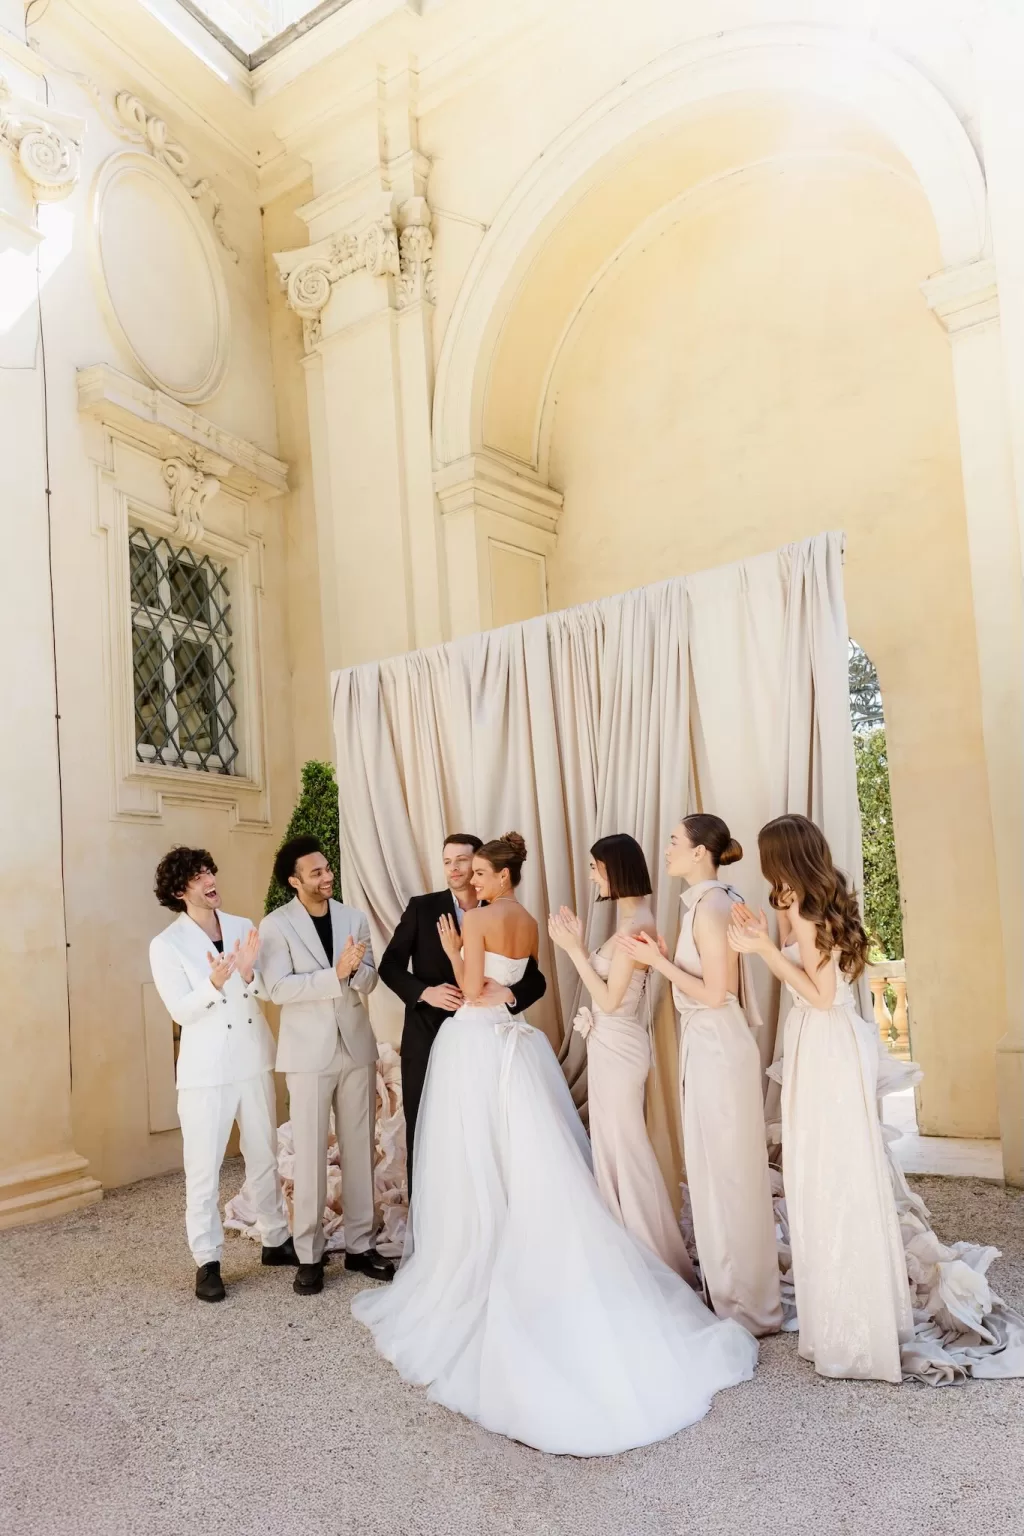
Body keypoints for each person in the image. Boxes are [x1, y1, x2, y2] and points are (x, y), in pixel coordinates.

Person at [352, 833, 757, 1456]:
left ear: (499, 874)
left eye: (479, 870)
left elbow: (481, 982)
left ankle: (481, 1248)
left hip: (475, 1042)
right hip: (513, 1040)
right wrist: (489, 982)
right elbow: (506, 975)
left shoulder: (484, 917)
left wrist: (460, 951)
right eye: (466, 870)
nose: (470, 878)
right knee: (527, 1152)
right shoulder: (522, 919)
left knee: (470, 1153)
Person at [727, 814, 912, 1380]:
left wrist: (763, 949)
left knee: (829, 1174)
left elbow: (822, 994)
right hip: (829, 1040)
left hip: (825, 1040)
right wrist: (769, 930)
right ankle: (844, 1315)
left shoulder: (809, 911)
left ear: (782, 858)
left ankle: (851, 1329)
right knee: (830, 1171)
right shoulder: (810, 901)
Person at [619, 815, 782, 1337]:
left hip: (718, 1046)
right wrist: (667, 960)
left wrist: (656, 963)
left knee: (727, 1169)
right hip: (709, 1045)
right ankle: (732, 1293)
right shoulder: (711, 900)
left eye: (673, 842)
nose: (666, 850)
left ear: (698, 853)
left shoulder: (711, 906)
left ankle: (745, 1305)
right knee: (717, 1167)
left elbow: (717, 993)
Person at [547, 833, 696, 1284]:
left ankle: (654, 1258)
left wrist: (574, 950)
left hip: (619, 1043)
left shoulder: (638, 927)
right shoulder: (632, 919)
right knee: (612, 1148)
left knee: (625, 1149)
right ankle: (625, 1246)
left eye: (596, 866)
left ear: (614, 869)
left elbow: (611, 1001)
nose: (592, 874)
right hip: (611, 1044)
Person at [148, 847, 294, 1303]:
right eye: (198, 875)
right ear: (179, 891)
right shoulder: (166, 945)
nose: (210, 878)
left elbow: (262, 989)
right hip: (205, 1072)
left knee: (264, 1154)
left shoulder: (242, 927)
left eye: (210, 869)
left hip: (251, 1059)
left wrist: (247, 975)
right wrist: (214, 984)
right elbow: (180, 1010)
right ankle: (208, 1261)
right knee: (203, 1170)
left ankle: (275, 1239)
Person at [258, 835, 393, 1295]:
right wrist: (332, 975)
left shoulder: (353, 917)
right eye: (315, 872)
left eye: (327, 868)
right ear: (295, 881)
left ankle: (360, 1247)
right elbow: (278, 989)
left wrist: (356, 970)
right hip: (307, 1055)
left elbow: (370, 980)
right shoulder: (276, 926)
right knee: (312, 1153)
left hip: (355, 1047)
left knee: (360, 1150)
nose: (327, 875)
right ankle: (310, 1255)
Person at [379, 833, 546, 1193]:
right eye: (447, 861)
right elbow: (389, 966)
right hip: (427, 1034)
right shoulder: (422, 908)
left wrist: (510, 994)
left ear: (481, 865)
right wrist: (426, 993)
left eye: (462, 861)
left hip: (486, 1040)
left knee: (489, 1130)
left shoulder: (497, 913)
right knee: (426, 1129)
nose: (454, 869)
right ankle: (428, 1224)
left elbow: (536, 980)